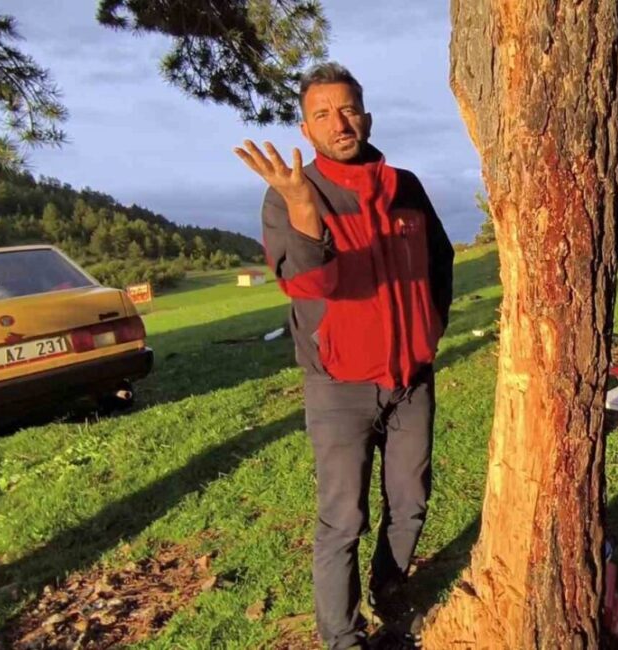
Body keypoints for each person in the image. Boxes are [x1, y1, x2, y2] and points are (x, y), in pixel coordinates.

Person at [234, 62, 454, 649]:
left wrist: (430, 332)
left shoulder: (405, 185)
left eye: (349, 109)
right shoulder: (289, 195)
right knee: (343, 520)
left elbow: (441, 261)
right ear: (306, 130)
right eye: (323, 114)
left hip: (411, 379)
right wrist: (305, 207)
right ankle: (342, 637)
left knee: (410, 503)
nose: (340, 122)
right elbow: (307, 284)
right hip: (339, 385)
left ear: (367, 116)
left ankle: (389, 591)